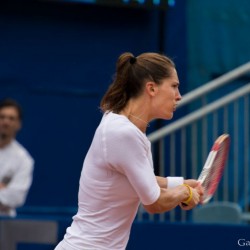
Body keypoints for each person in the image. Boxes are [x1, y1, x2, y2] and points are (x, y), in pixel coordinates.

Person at [55, 52, 203, 250]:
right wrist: (184, 192)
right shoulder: (123, 133)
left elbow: (137, 177)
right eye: (174, 86)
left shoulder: (118, 124)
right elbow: (154, 203)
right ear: (151, 88)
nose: (179, 95)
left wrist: (180, 183)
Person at [0, 98, 34, 217]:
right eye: (2, 117)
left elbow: (16, 197)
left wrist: (7, 195)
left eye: (11, 118)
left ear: (18, 124)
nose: (6, 122)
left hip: (3, 223)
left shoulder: (24, 160)